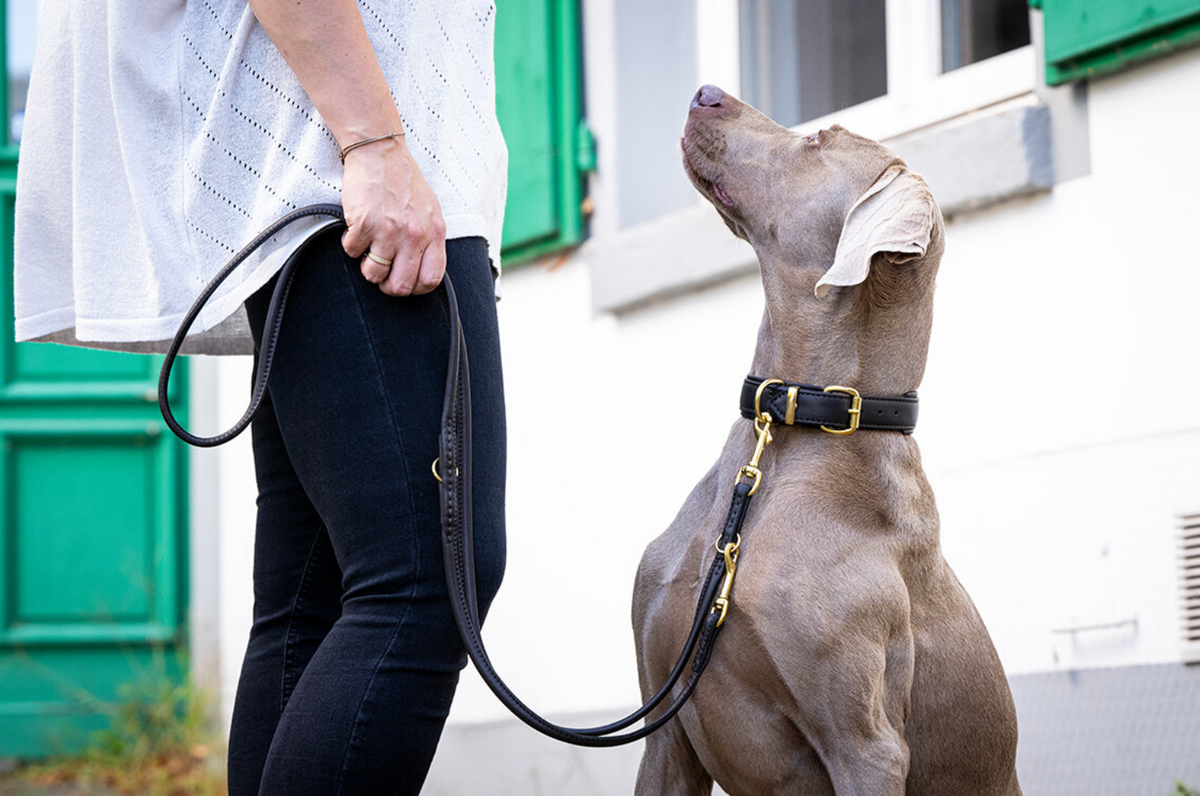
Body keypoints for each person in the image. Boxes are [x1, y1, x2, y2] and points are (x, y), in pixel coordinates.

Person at [13, 1, 508, 793]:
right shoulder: (363, 151)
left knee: (310, 603)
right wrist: (372, 143)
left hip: (316, 153)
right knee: (425, 579)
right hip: (339, 154)